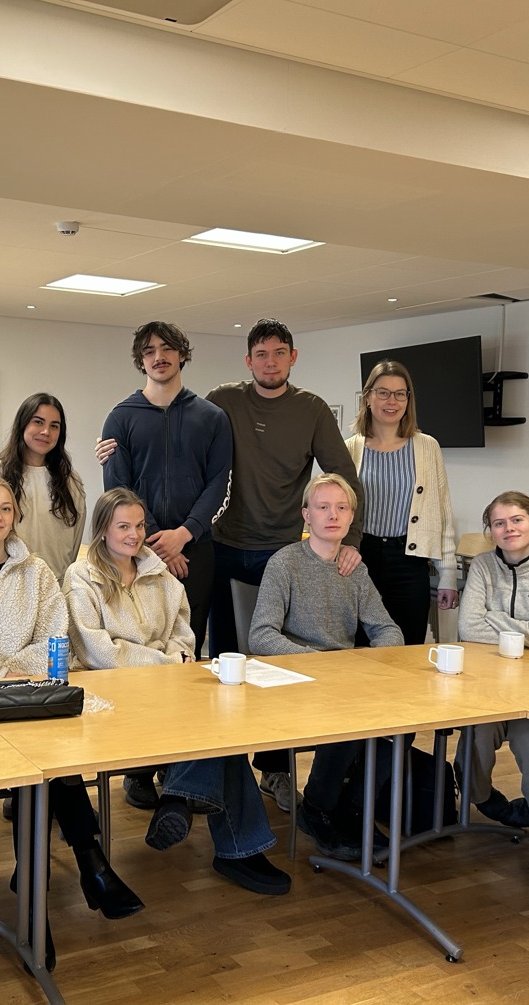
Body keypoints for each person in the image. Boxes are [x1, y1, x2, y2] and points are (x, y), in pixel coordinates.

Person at [0, 475, 143, 968]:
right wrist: (1, 673)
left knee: (49, 757)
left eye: (6, 508)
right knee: (43, 767)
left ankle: (38, 894)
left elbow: (55, 642)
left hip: (31, 703)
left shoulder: (36, 572)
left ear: (16, 516)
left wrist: (14, 675)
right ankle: (89, 863)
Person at [66, 487, 292, 895]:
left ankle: (180, 803)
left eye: (139, 526)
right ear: (102, 530)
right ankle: (227, 839)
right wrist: (165, 662)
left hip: (167, 688)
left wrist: (172, 662)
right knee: (212, 732)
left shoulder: (160, 574)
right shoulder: (82, 577)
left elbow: (184, 636)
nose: (134, 535)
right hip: (112, 695)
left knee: (224, 724)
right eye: (123, 526)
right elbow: (97, 651)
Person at [206, 318, 365, 812]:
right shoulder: (223, 400)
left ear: (293, 358)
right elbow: (183, 442)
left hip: (282, 554)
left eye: (279, 353)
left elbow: (344, 477)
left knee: (277, 664)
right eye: (261, 354)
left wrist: (349, 540)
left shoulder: (311, 409)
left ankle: (274, 769)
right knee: (226, 663)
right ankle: (224, 769)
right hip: (224, 546)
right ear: (248, 360)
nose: (270, 362)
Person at [97, 321, 232, 810]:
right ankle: (138, 770)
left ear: (182, 355)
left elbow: (220, 482)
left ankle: (181, 769)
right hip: (137, 555)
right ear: (140, 359)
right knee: (143, 655)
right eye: (150, 350)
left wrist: (185, 534)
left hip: (197, 551)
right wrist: (158, 543)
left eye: (168, 348)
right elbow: (119, 488)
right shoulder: (121, 417)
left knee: (186, 657)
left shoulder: (211, 416)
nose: (160, 356)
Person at [248, 473, 403, 860]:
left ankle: (353, 808)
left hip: (345, 678)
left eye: (341, 508)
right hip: (296, 677)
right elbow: (261, 635)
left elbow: (387, 629)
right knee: (348, 716)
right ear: (307, 515)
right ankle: (318, 808)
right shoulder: (285, 564)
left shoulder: (355, 569)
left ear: (351, 518)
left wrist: (369, 662)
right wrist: (318, 664)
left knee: (403, 720)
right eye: (323, 507)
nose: (332, 515)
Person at [455, 491, 529, 829]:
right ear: (491, 531)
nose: (509, 529)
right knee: (476, 736)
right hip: (485, 686)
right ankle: (481, 799)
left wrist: (492, 617)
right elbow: (468, 628)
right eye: (499, 523)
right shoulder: (482, 566)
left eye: (517, 520)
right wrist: (525, 630)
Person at [346, 359, 458, 645]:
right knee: (359, 646)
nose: (391, 401)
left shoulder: (427, 447)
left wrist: (447, 574)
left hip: (409, 561)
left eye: (400, 394)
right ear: (368, 397)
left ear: (409, 400)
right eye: (383, 392)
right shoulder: (350, 448)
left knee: (408, 647)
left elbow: (442, 514)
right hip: (360, 558)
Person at [0, 392, 85, 581]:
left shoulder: (71, 481)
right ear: (23, 424)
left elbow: (74, 540)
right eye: (38, 422)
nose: (46, 432)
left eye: (54, 426)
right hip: (4, 585)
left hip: (55, 586)